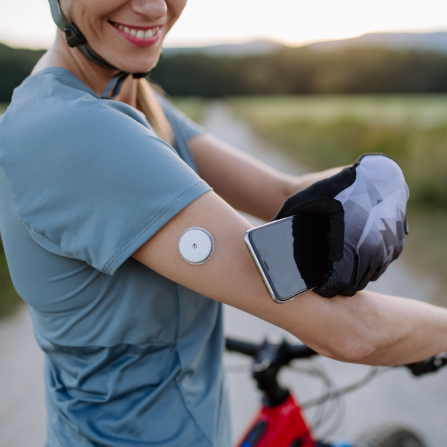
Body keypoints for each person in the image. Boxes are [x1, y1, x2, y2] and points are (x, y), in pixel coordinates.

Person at [0, 1, 446, 446]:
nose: (154, 6)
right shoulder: (74, 131)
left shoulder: (129, 97)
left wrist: (372, 182)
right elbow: (348, 332)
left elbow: (279, 193)